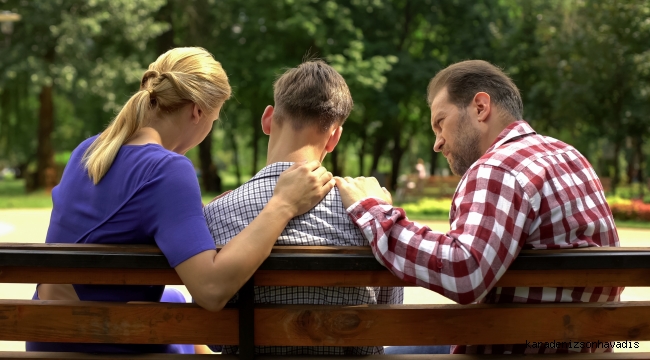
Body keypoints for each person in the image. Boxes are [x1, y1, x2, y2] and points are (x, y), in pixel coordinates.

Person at [27, 47, 335, 354]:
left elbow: (118, 214)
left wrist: (192, 212)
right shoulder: (167, 169)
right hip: (98, 343)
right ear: (198, 112)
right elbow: (211, 291)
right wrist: (283, 204)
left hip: (48, 333)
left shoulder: (89, 150)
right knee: (184, 319)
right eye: (213, 120)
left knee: (173, 301)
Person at [335, 60, 621, 354]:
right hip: (581, 346)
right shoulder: (569, 155)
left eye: (440, 123)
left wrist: (372, 209)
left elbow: (465, 271)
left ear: (481, 107)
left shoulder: (498, 167)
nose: (437, 142)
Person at [203, 60, 404, 356]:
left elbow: (216, 339)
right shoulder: (369, 215)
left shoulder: (217, 213)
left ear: (268, 119)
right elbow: (387, 321)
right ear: (334, 137)